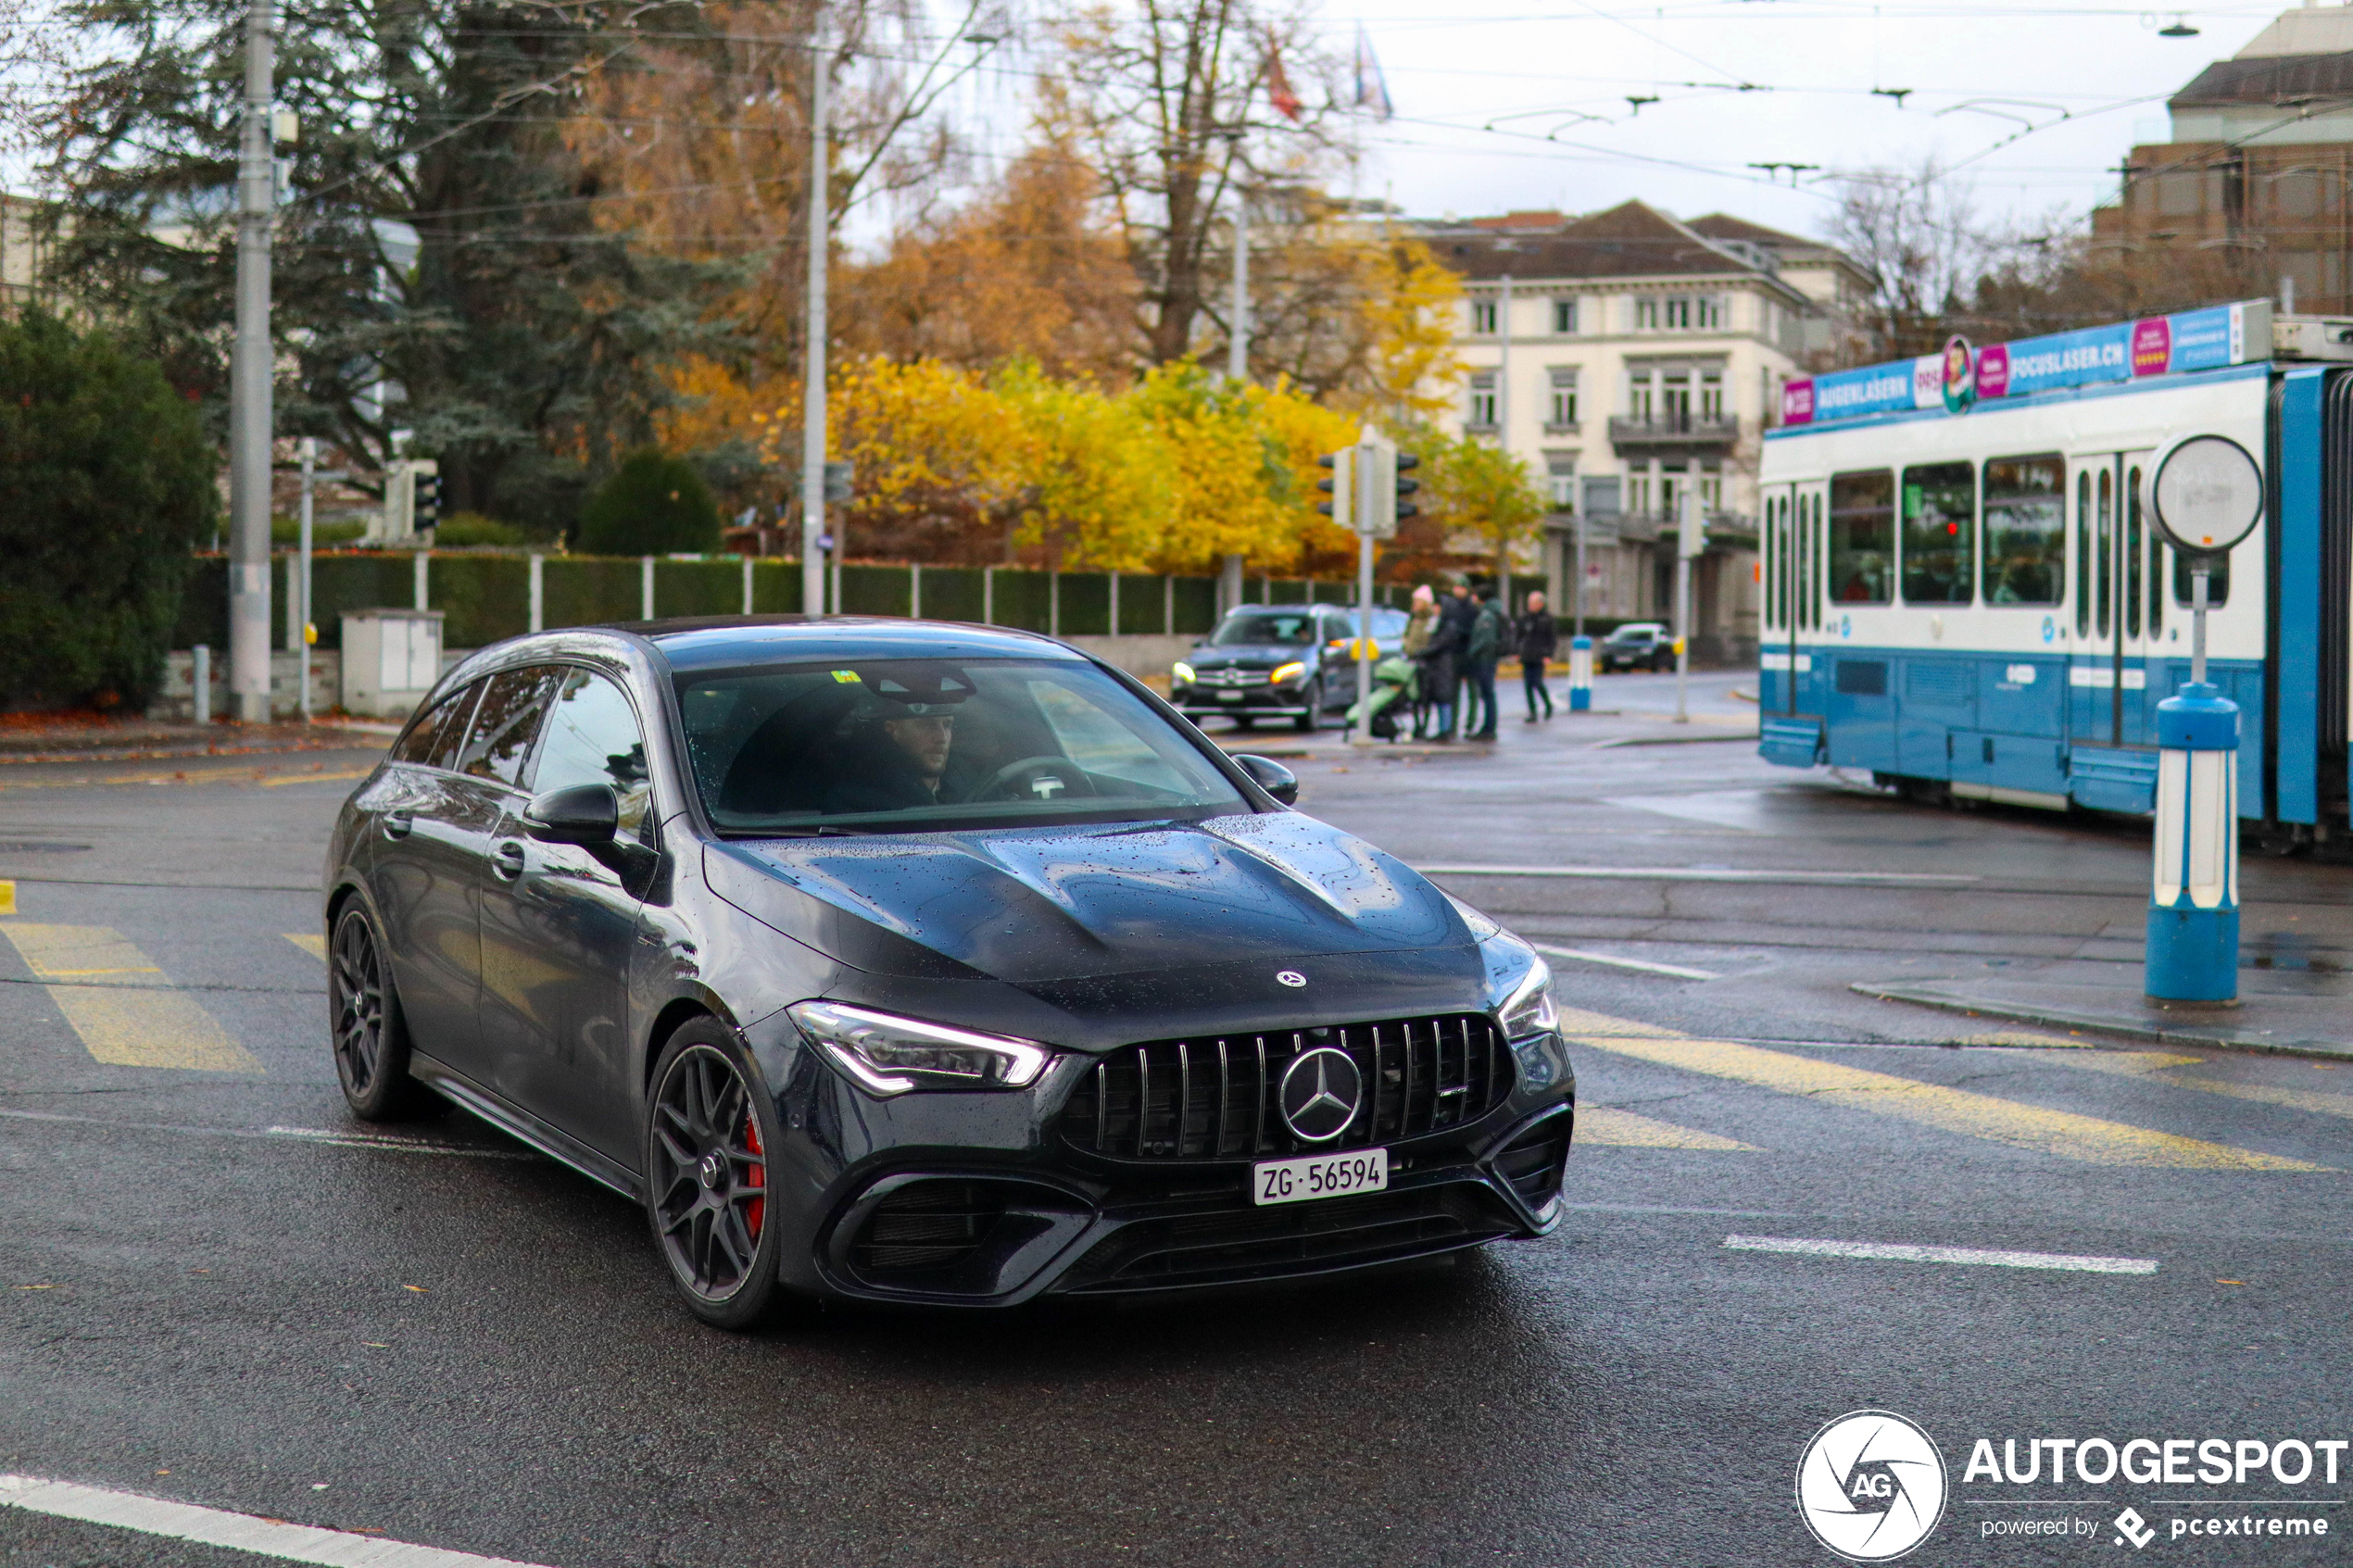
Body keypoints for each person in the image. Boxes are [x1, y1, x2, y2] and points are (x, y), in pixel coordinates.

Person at [1462, 588, 1504, 742]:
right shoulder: (1490, 613)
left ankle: (1489, 729)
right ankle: (1488, 727)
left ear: (1480, 598)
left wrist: (1473, 650)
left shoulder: (1487, 616)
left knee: (1487, 694)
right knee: (1487, 694)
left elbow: (1486, 640)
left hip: (1485, 660)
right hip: (1487, 659)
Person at [1516, 590, 1557, 721]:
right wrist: (1517, 652)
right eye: (1530, 603)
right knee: (1527, 684)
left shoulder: (1547, 619)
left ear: (1540, 604)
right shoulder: (1525, 618)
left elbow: (1552, 639)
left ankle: (1548, 705)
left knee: (1537, 682)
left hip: (1540, 655)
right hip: (1527, 654)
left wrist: (1548, 655)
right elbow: (1518, 636)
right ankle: (1532, 712)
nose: (1531, 606)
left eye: (1533, 603)